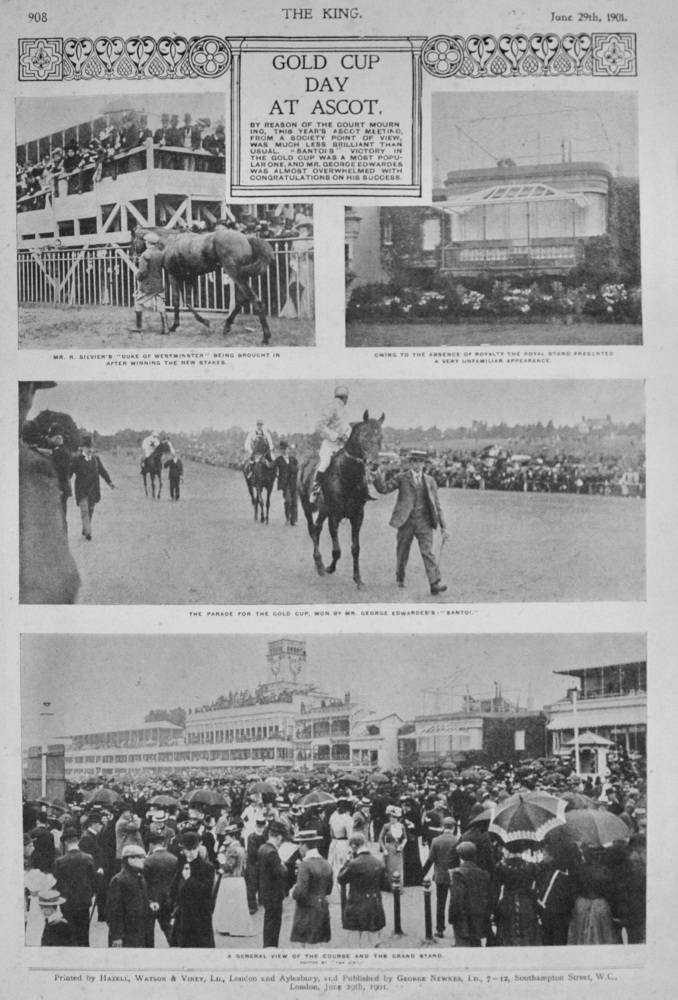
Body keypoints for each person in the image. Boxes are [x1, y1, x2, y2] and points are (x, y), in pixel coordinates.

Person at [373, 448, 449, 595]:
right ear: (410, 463)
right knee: (402, 552)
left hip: (425, 522)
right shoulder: (402, 478)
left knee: (428, 552)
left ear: (424, 464)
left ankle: (434, 584)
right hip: (405, 522)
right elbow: (384, 488)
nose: (417, 465)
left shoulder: (430, 481)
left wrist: (444, 527)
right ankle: (400, 577)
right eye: (414, 462)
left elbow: (437, 505)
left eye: (420, 462)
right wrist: (377, 475)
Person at [337, 832, 390, 946]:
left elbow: (341, 880)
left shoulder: (354, 864)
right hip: (375, 903)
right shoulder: (378, 862)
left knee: (354, 939)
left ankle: (358, 963)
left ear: (353, 846)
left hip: (357, 905)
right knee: (375, 939)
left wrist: (346, 863)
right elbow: (385, 883)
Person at [170, 831, 216, 948]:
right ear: (183, 849)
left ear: (198, 847)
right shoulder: (181, 864)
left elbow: (206, 891)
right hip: (183, 915)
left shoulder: (207, 867)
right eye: (188, 849)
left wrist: (189, 879)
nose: (191, 853)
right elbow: (174, 889)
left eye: (193, 849)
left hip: (200, 917)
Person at [106, 844, 156, 948]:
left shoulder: (140, 877)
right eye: (141, 857)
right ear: (130, 860)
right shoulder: (119, 880)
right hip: (127, 935)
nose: (144, 860)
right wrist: (117, 936)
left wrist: (150, 904)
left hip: (141, 932)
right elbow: (114, 910)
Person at [290, 830, 333, 946]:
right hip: (323, 908)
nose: (298, 847)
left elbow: (300, 892)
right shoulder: (326, 863)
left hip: (306, 910)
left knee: (304, 946)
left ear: (304, 846)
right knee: (320, 945)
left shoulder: (305, 865)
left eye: (299, 844)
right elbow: (328, 890)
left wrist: (293, 891)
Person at [54, 828, 97, 946]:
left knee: (69, 932)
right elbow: (93, 880)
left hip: (66, 902)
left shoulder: (60, 861)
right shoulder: (88, 858)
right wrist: (90, 893)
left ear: (66, 842)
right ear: (78, 841)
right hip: (84, 901)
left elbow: (56, 882)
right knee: (83, 932)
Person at [310, 385, 352, 504]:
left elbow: (347, 427)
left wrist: (346, 435)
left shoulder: (343, 411)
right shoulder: (330, 408)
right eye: (345, 399)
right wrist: (335, 435)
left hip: (341, 446)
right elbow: (319, 426)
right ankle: (315, 489)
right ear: (345, 398)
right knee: (325, 463)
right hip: (329, 445)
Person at [70, 436, 116, 541]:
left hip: (93, 490)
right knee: (84, 510)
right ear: (82, 448)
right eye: (87, 447)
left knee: (90, 509)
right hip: (81, 490)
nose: (90, 450)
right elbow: (70, 473)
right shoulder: (77, 460)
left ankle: (85, 527)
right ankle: (88, 532)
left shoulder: (96, 459)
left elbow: (103, 471)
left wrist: (110, 482)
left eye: (91, 447)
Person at [213, 825, 255, 937]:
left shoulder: (232, 849)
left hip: (230, 880)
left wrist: (222, 861)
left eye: (227, 836)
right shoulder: (242, 848)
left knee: (228, 904)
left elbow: (229, 866)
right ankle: (234, 927)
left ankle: (227, 927)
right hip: (240, 879)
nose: (226, 838)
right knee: (238, 905)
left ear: (232, 837)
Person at [447, 841, 492, 947]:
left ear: (460, 857)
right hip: (479, 918)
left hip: (463, 920)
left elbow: (456, 900)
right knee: (476, 945)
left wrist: (452, 917)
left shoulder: (458, 874)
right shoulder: (484, 874)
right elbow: (488, 896)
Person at [421, 816, 460, 938]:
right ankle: (456, 929)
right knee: (455, 902)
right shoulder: (458, 840)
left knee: (440, 903)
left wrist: (421, 874)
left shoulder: (436, 840)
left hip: (440, 876)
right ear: (453, 828)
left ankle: (440, 929)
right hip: (454, 876)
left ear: (443, 827)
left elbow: (430, 860)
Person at [143, 830, 179, 945]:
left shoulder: (148, 861)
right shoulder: (174, 859)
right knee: (167, 927)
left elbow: (145, 882)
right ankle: (175, 947)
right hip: (169, 899)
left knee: (149, 931)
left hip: (152, 900)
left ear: (150, 844)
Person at [258, 818, 289, 948]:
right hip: (274, 893)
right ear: (279, 837)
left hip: (265, 891)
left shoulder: (263, 848)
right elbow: (281, 872)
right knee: (274, 923)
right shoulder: (272, 852)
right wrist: (283, 864)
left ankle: (267, 946)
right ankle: (271, 947)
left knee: (269, 921)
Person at [134, 232, 167, 334]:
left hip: (148, 285)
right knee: (161, 304)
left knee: (138, 302)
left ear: (147, 242)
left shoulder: (145, 254)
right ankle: (165, 328)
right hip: (159, 284)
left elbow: (143, 272)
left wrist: (137, 276)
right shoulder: (160, 254)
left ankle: (138, 326)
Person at [245, 816, 268, 914]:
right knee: (252, 885)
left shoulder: (264, 837)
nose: (260, 828)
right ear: (256, 826)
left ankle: (261, 900)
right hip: (253, 863)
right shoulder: (251, 837)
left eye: (261, 827)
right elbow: (252, 852)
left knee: (261, 882)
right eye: (259, 826)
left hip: (260, 863)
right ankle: (252, 906)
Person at [273, 440, 299, 525]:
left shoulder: (293, 458)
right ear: (281, 450)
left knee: (295, 501)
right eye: (282, 449)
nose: (284, 450)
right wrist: (266, 463)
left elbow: (298, 468)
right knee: (288, 500)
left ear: (288, 449)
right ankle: (288, 517)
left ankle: (294, 520)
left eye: (286, 449)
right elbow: (271, 465)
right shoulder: (278, 460)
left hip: (294, 483)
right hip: (285, 484)